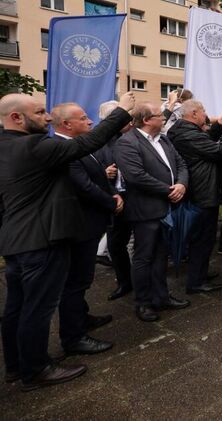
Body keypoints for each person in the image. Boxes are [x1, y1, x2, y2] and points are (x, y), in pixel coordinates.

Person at [0, 91, 135, 392]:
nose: (46, 118)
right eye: (38, 112)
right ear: (16, 118)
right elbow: (87, 143)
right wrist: (122, 112)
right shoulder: (35, 146)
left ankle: (15, 365)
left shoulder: (6, 146)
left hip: (16, 239)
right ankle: (36, 369)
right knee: (37, 308)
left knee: (17, 307)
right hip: (42, 241)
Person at [50, 103, 123, 357]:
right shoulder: (62, 150)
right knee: (75, 282)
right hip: (79, 226)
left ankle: (81, 317)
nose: (90, 122)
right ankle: (73, 337)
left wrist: (112, 193)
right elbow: (84, 186)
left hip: (90, 222)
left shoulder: (81, 146)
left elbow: (100, 178)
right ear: (66, 125)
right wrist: (111, 202)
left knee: (82, 280)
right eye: (83, 118)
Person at [114, 102, 190, 323]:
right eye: (159, 115)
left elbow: (181, 164)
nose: (164, 118)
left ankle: (162, 296)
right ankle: (143, 303)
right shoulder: (126, 143)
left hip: (166, 208)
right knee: (144, 258)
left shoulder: (164, 139)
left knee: (160, 257)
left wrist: (182, 185)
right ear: (146, 120)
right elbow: (136, 176)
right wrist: (169, 191)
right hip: (145, 211)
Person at [167, 99, 222, 294]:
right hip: (203, 193)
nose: (206, 113)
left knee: (203, 239)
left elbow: (205, 143)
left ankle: (201, 273)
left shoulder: (186, 131)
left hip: (200, 190)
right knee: (203, 240)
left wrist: (217, 127)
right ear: (194, 114)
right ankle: (196, 281)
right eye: (203, 110)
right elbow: (218, 150)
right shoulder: (188, 134)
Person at [95, 100, 135, 301]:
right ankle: (124, 282)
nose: (127, 119)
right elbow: (83, 173)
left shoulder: (131, 137)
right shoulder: (96, 142)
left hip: (136, 198)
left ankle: (145, 278)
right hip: (114, 199)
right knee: (116, 244)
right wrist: (103, 173)